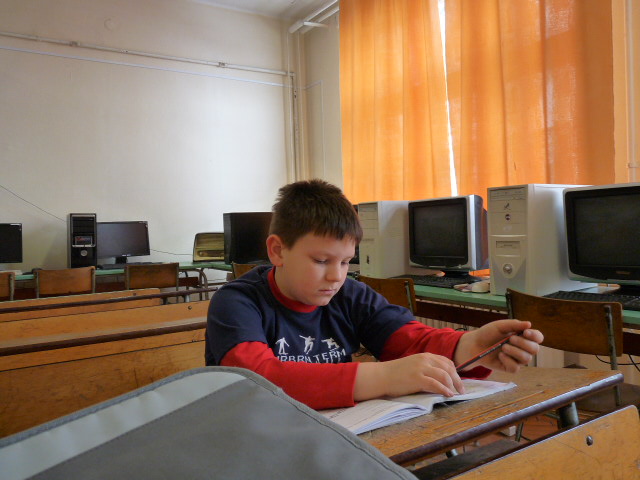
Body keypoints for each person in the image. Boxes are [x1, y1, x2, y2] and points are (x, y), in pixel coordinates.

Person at [205, 179, 543, 410]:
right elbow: (258, 381)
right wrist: (384, 376)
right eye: (321, 261)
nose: (336, 276)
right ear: (278, 251)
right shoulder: (236, 302)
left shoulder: (349, 294)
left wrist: (470, 346)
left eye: (345, 262)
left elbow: (408, 339)